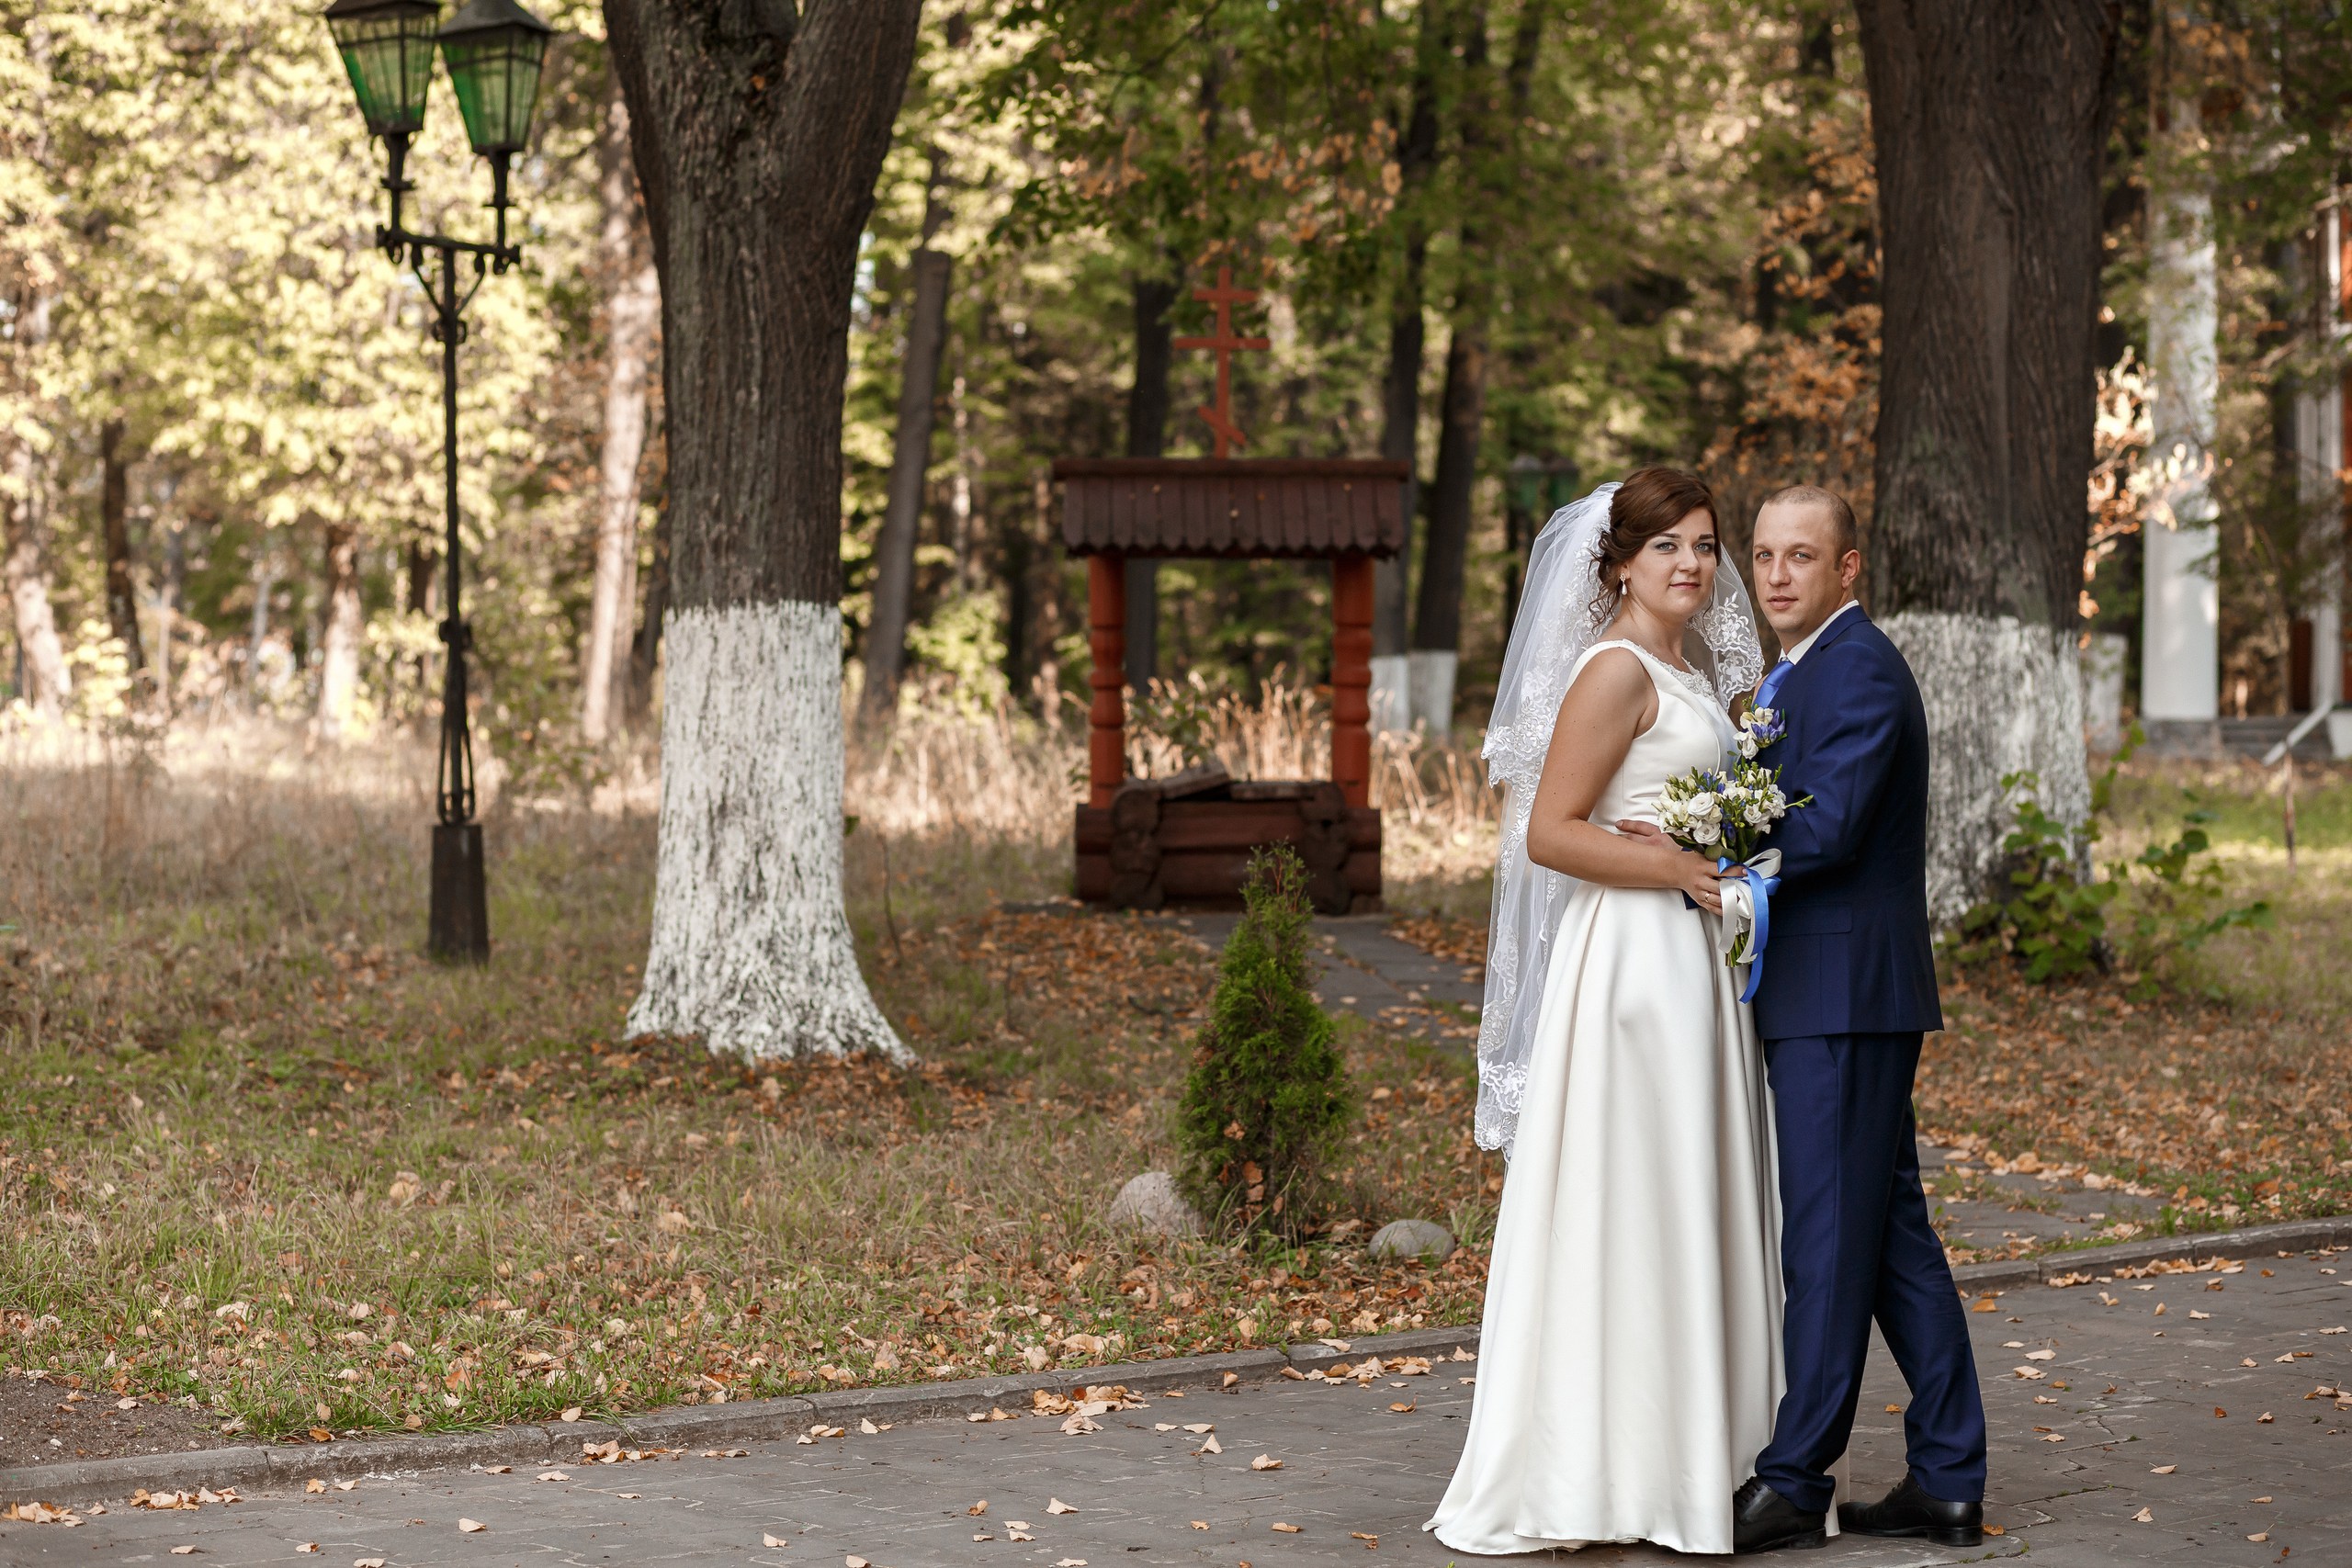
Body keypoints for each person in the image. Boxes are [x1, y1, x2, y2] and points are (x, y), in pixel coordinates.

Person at [1426, 468, 1782, 1555]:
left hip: (1693, 966)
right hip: (1629, 968)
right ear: (1618, 562)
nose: (1691, 563)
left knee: (1686, 1196)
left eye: (1706, 545)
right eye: (1667, 544)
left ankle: (1694, 1459)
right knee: (1629, 1200)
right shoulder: (1615, 670)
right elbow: (1551, 831)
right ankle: (1605, 1471)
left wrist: (1725, 864)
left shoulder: (1696, 670)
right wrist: (1680, 870)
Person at [1722, 484, 1987, 1551]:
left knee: (1830, 1242)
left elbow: (1821, 831)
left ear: (1847, 570)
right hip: (1825, 991)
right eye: (1763, 555)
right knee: (1886, 1242)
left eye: (1800, 555)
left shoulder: (1862, 667)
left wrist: (1701, 846)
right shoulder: (1798, 672)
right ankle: (1947, 1478)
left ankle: (1793, 1477)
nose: (1776, 574)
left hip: (1842, 994)